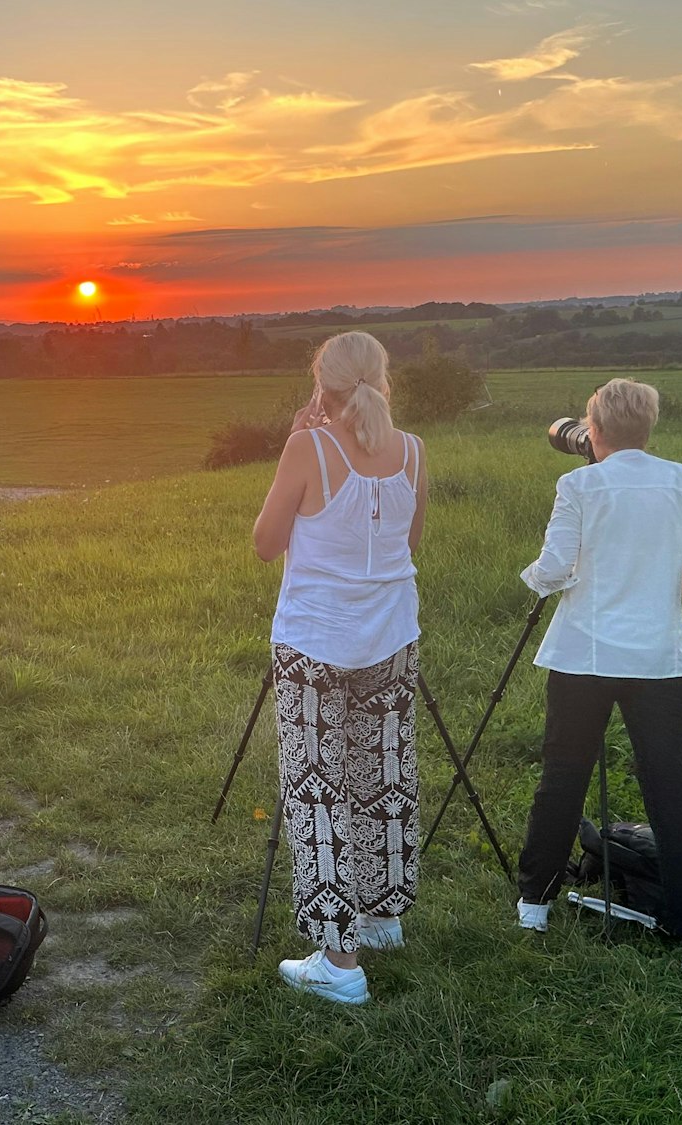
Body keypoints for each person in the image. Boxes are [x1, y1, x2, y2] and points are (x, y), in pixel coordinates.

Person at [515, 377, 682, 977]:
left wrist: (532, 577)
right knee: (670, 789)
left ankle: (533, 903)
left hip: (581, 657)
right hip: (658, 662)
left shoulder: (578, 485)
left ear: (594, 432)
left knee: (562, 777)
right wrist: (680, 588)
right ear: (649, 427)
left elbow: (556, 569)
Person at [252, 331, 428, 1005]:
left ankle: (339, 959)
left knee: (317, 787)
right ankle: (384, 917)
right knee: (383, 772)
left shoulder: (308, 447)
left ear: (320, 386)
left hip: (316, 640)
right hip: (391, 634)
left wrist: (303, 445)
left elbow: (267, 544)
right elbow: (405, 541)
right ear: (383, 379)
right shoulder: (412, 450)